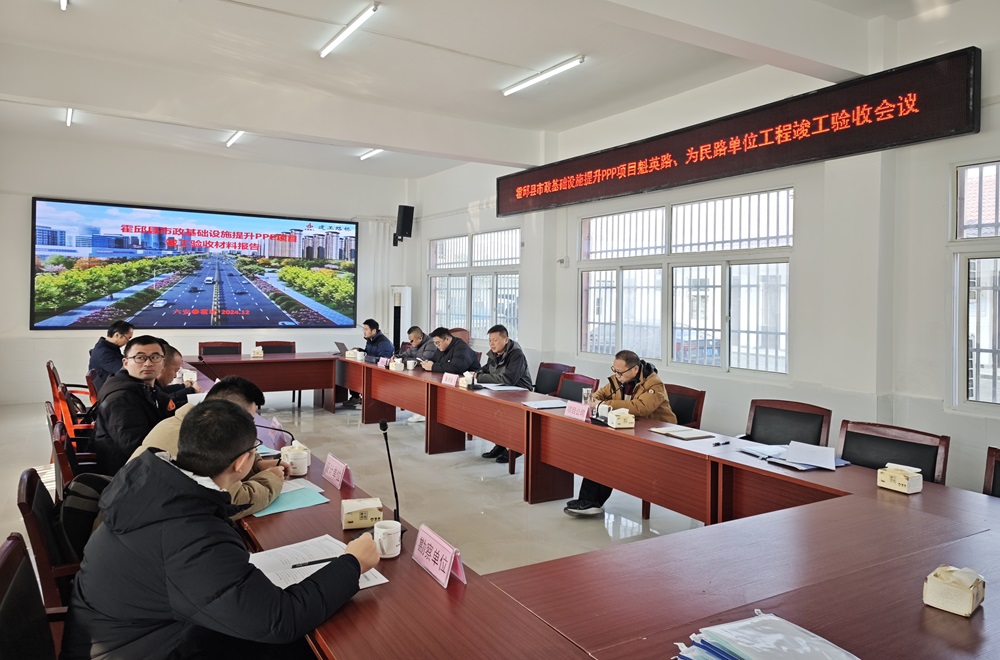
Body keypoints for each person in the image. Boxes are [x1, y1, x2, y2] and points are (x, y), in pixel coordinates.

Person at [60, 399, 380, 660]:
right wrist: (352, 564)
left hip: (139, 633)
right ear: (241, 463)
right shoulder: (189, 534)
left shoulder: (154, 488)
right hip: (148, 648)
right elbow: (281, 620)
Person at [129, 375, 285, 520]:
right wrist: (272, 478)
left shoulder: (180, 422)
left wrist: (256, 465)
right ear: (228, 414)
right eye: (248, 419)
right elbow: (233, 503)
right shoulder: (203, 439)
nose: (250, 426)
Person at [564, 349, 676, 518]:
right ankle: (588, 501)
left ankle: (591, 502)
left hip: (656, 435)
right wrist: (594, 399)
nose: (616, 375)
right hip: (629, 428)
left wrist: (603, 404)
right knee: (598, 451)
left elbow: (641, 408)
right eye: (614, 370)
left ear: (635, 369)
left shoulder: (654, 384)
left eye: (620, 372)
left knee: (609, 454)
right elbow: (600, 394)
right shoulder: (619, 379)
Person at [93, 335, 176, 477]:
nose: (148, 363)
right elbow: (135, 448)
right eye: (140, 358)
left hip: (144, 465)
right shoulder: (121, 399)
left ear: (163, 363)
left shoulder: (144, 387)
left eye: (155, 357)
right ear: (125, 363)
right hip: (127, 475)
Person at [476, 325, 532, 463]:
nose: (491, 344)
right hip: (501, 391)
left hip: (520, 393)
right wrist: (477, 374)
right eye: (490, 340)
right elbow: (485, 369)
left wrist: (479, 377)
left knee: (508, 415)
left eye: (495, 340)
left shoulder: (516, 354)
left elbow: (508, 379)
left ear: (506, 340)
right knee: (493, 413)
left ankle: (516, 448)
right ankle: (500, 444)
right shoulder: (494, 353)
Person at [344, 318, 394, 407]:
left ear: (374, 330)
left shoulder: (384, 343)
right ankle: (355, 397)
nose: (364, 332)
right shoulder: (370, 340)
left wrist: (365, 357)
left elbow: (383, 360)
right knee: (352, 372)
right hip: (370, 367)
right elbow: (368, 353)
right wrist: (359, 350)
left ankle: (365, 399)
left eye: (366, 329)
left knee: (358, 375)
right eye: (364, 329)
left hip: (380, 372)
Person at [398, 326, 437, 422]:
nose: (410, 343)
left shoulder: (431, 344)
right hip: (418, 372)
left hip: (430, 374)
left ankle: (422, 412)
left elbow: (422, 361)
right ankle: (418, 411)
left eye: (412, 341)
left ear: (420, 338)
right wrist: (396, 357)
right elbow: (404, 355)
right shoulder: (414, 344)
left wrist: (404, 360)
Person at [88, 320, 134, 393]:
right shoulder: (104, 353)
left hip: (112, 385)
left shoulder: (108, 347)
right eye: (128, 338)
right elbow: (124, 371)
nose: (128, 342)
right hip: (110, 391)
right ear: (117, 335)